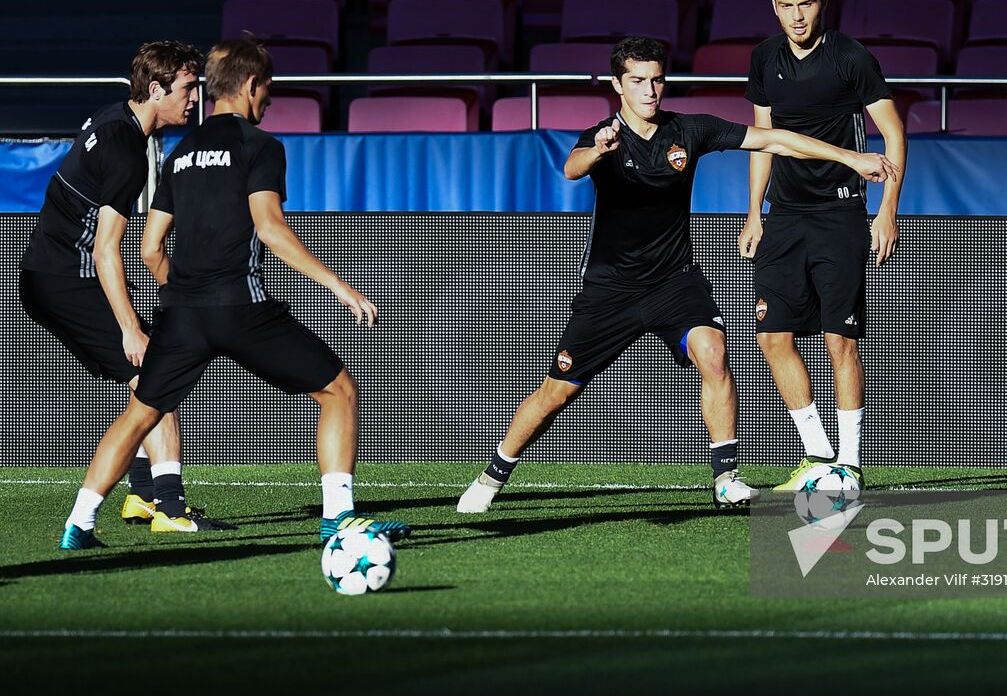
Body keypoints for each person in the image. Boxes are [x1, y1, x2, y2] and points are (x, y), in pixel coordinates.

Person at [457, 36, 898, 514]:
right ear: (617, 85)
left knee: (713, 350)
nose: (650, 90)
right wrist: (597, 150)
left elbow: (772, 137)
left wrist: (850, 158)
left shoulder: (690, 130)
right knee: (557, 391)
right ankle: (492, 475)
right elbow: (570, 168)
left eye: (656, 79)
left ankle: (726, 478)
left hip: (675, 282)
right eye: (637, 81)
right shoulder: (601, 137)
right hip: (611, 290)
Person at [59, 35, 407, 548]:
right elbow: (269, 228)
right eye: (268, 88)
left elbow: (151, 248)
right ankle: (338, 519)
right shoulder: (260, 146)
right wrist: (339, 285)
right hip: (242, 308)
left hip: (181, 312)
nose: (269, 99)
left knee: (141, 413)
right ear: (250, 85)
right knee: (337, 391)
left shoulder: (179, 155)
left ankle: (79, 524)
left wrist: (186, 296)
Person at [21, 40, 232, 533]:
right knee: (157, 378)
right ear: (156, 89)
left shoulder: (114, 116)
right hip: (67, 280)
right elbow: (104, 250)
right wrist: (128, 328)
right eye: (186, 88)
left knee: (144, 383)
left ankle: (141, 496)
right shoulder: (126, 150)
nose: (194, 99)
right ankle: (170, 510)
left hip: (49, 275)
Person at [740, 0, 908, 491]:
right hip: (784, 218)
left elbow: (894, 134)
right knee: (772, 336)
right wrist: (754, 212)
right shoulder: (765, 57)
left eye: (806, 3)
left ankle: (851, 465)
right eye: (786, 5)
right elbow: (762, 138)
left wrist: (887, 211)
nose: (797, 15)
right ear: (774, 7)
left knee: (840, 341)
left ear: (822, 3)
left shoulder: (851, 57)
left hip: (841, 215)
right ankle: (818, 456)